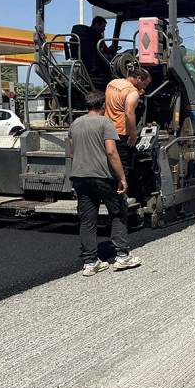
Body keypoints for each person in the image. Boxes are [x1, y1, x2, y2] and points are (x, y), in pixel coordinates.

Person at [68, 91, 141, 276]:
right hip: (103, 177)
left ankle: (90, 262)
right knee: (118, 213)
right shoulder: (105, 123)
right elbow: (111, 152)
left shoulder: (75, 124)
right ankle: (122, 256)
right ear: (103, 106)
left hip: (79, 177)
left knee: (87, 220)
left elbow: (71, 152)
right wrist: (122, 177)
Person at [104, 65, 151, 188]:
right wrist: (133, 134)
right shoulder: (132, 93)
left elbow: (118, 99)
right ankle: (121, 194)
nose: (144, 87)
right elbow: (129, 112)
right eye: (145, 84)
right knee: (122, 165)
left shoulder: (112, 83)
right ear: (139, 78)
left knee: (109, 165)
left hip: (107, 129)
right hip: (121, 133)